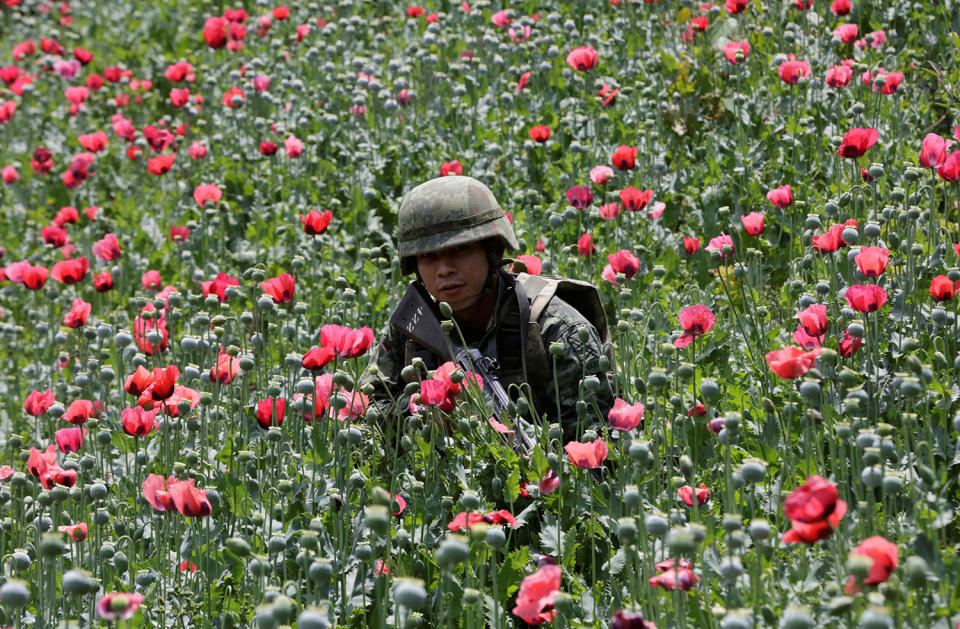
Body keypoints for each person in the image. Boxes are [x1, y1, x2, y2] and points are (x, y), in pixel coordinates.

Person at [361, 175, 615, 443]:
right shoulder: (413, 324)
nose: (444, 268)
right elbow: (365, 415)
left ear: (493, 250)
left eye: (459, 249)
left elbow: (600, 450)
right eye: (428, 256)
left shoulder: (556, 330)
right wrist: (424, 410)